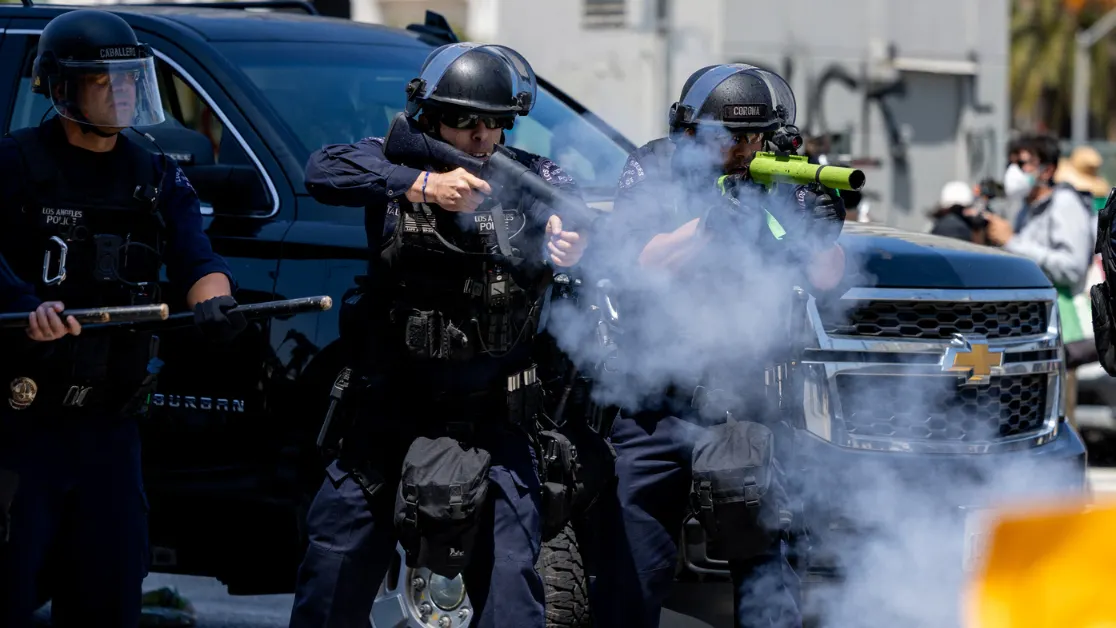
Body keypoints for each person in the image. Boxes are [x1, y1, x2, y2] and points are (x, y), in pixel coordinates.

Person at [289, 42, 588, 628]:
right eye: (464, 121)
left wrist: (571, 239)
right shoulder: (394, 163)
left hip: (492, 422)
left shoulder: (530, 174)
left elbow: (574, 211)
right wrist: (423, 184)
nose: (481, 136)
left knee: (512, 596)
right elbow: (322, 170)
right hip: (386, 417)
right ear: (429, 118)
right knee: (331, 581)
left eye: (494, 123)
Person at [0, 9, 245, 628]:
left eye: (131, 79)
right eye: (103, 81)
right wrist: (25, 307)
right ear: (61, 88)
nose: (124, 94)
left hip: (110, 429)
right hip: (21, 424)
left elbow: (196, 257)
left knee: (108, 599)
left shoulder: (156, 174)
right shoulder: (14, 163)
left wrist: (216, 302)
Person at [587, 63, 846, 628]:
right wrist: (711, 223)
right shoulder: (655, 166)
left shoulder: (780, 174)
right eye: (732, 137)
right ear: (691, 132)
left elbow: (826, 277)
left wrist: (823, 229)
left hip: (745, 406)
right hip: (655, 405)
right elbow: (638, 261)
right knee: (630, 574)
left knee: (768, 578)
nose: (745, 150)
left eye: (755, 137)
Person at [983, 134, 1095, 430]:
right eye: (1011, 163)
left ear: (1047, 169)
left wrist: (1013, 242)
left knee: (1058, 423)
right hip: (1030, 332)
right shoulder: (1026, 209)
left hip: (1059, 334)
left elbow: (1072, 268)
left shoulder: (1064, 203)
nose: (1014, 171)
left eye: (1023, 163)